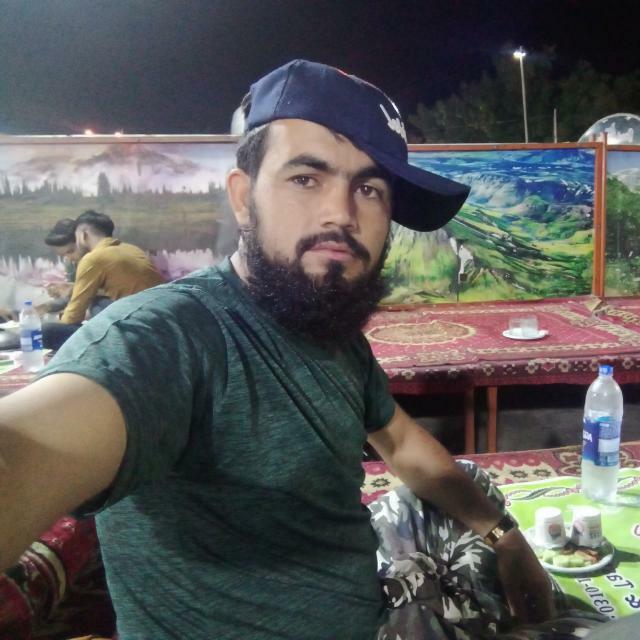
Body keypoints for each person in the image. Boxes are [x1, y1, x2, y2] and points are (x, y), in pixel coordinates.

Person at [0, 60, 604, 640]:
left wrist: (506, 538)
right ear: (243, 197)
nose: (342, 214)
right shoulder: (165, 337)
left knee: (472, 484)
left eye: (370, 188)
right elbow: (27, 449)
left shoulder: (328, 328)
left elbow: (399, 441)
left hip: (365, 603)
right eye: (306, 179)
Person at [42, 210, 164, 349]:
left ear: (83, 235)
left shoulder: (93, 258)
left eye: (71, 250)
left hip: (135, 332)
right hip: (158, 323)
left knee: (46, 332)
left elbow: (72, 317)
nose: (69, 257)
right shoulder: (131, 249)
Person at [40, 218, 84, 315]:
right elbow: (70, 298)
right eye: (64, 255)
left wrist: (75, 288)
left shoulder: (100, 260)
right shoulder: (71, 264)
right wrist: (46, 307)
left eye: (71, 251)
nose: (69, 258)